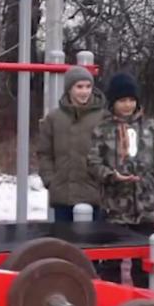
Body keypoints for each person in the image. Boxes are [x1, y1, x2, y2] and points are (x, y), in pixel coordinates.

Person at [87, 72, 154, 287]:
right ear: (113, 102)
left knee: (143, 265)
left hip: (145, 207)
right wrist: (112, 176)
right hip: (115, 208)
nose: (127, 105)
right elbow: (93, 164)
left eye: (131, 100)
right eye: (122, 101)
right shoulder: (102, 130)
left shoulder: (150, 128)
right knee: (110, 265)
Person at [37, 66, 107, 223]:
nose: (84, 92)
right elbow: (44, 152)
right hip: (63, 194)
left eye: (88, 87)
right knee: (64, 244)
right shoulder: (54, 118)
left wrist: (104, 180)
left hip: (95, 195)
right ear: (69, 89)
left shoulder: (104, 118)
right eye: (79, 87)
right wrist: (50, 180)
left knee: (93, 244)